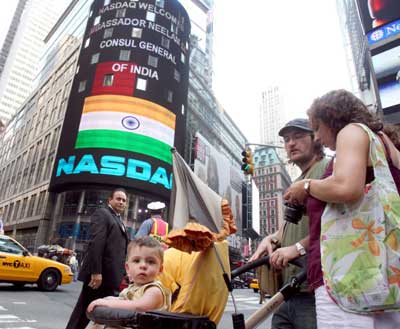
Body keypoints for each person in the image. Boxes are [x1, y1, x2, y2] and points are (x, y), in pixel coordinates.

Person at [284, 89, 400, 328]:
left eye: (317, 128)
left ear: (333, 118)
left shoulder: (351, 131)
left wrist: (306, 186)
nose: (317, 137)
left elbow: (347, 187)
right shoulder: (385, 144)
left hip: (348, 277)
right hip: (383, 272)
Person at [249, 118, 329, 329]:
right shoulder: (297, 182)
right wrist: (272, 238)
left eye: (298, 137)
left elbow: (334, 225)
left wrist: (296, 248)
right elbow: (291, 226)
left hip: (313, 290)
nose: (291, 143)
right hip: (287, 291)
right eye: (286, 140)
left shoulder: (326, 168)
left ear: (315, 139)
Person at [65, 188, 129, 329]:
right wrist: (96, 272)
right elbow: (96, 243)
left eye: (124, 200)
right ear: (109, 200)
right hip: (100, 277)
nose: (121, 202)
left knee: (104, 316)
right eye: (118, 199)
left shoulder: (118, 219)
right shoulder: (103, 214)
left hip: (111, 278)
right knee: (84, 311)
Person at [87, 236, 170, 329]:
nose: (143, 265)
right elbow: (125, 301)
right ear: (128, 268)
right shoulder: (132, 288)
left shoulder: (154, 291)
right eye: (136, 261)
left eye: (150, 262)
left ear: (160, 269)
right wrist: (110, 299)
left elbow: (139, 307)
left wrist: (107, 303)